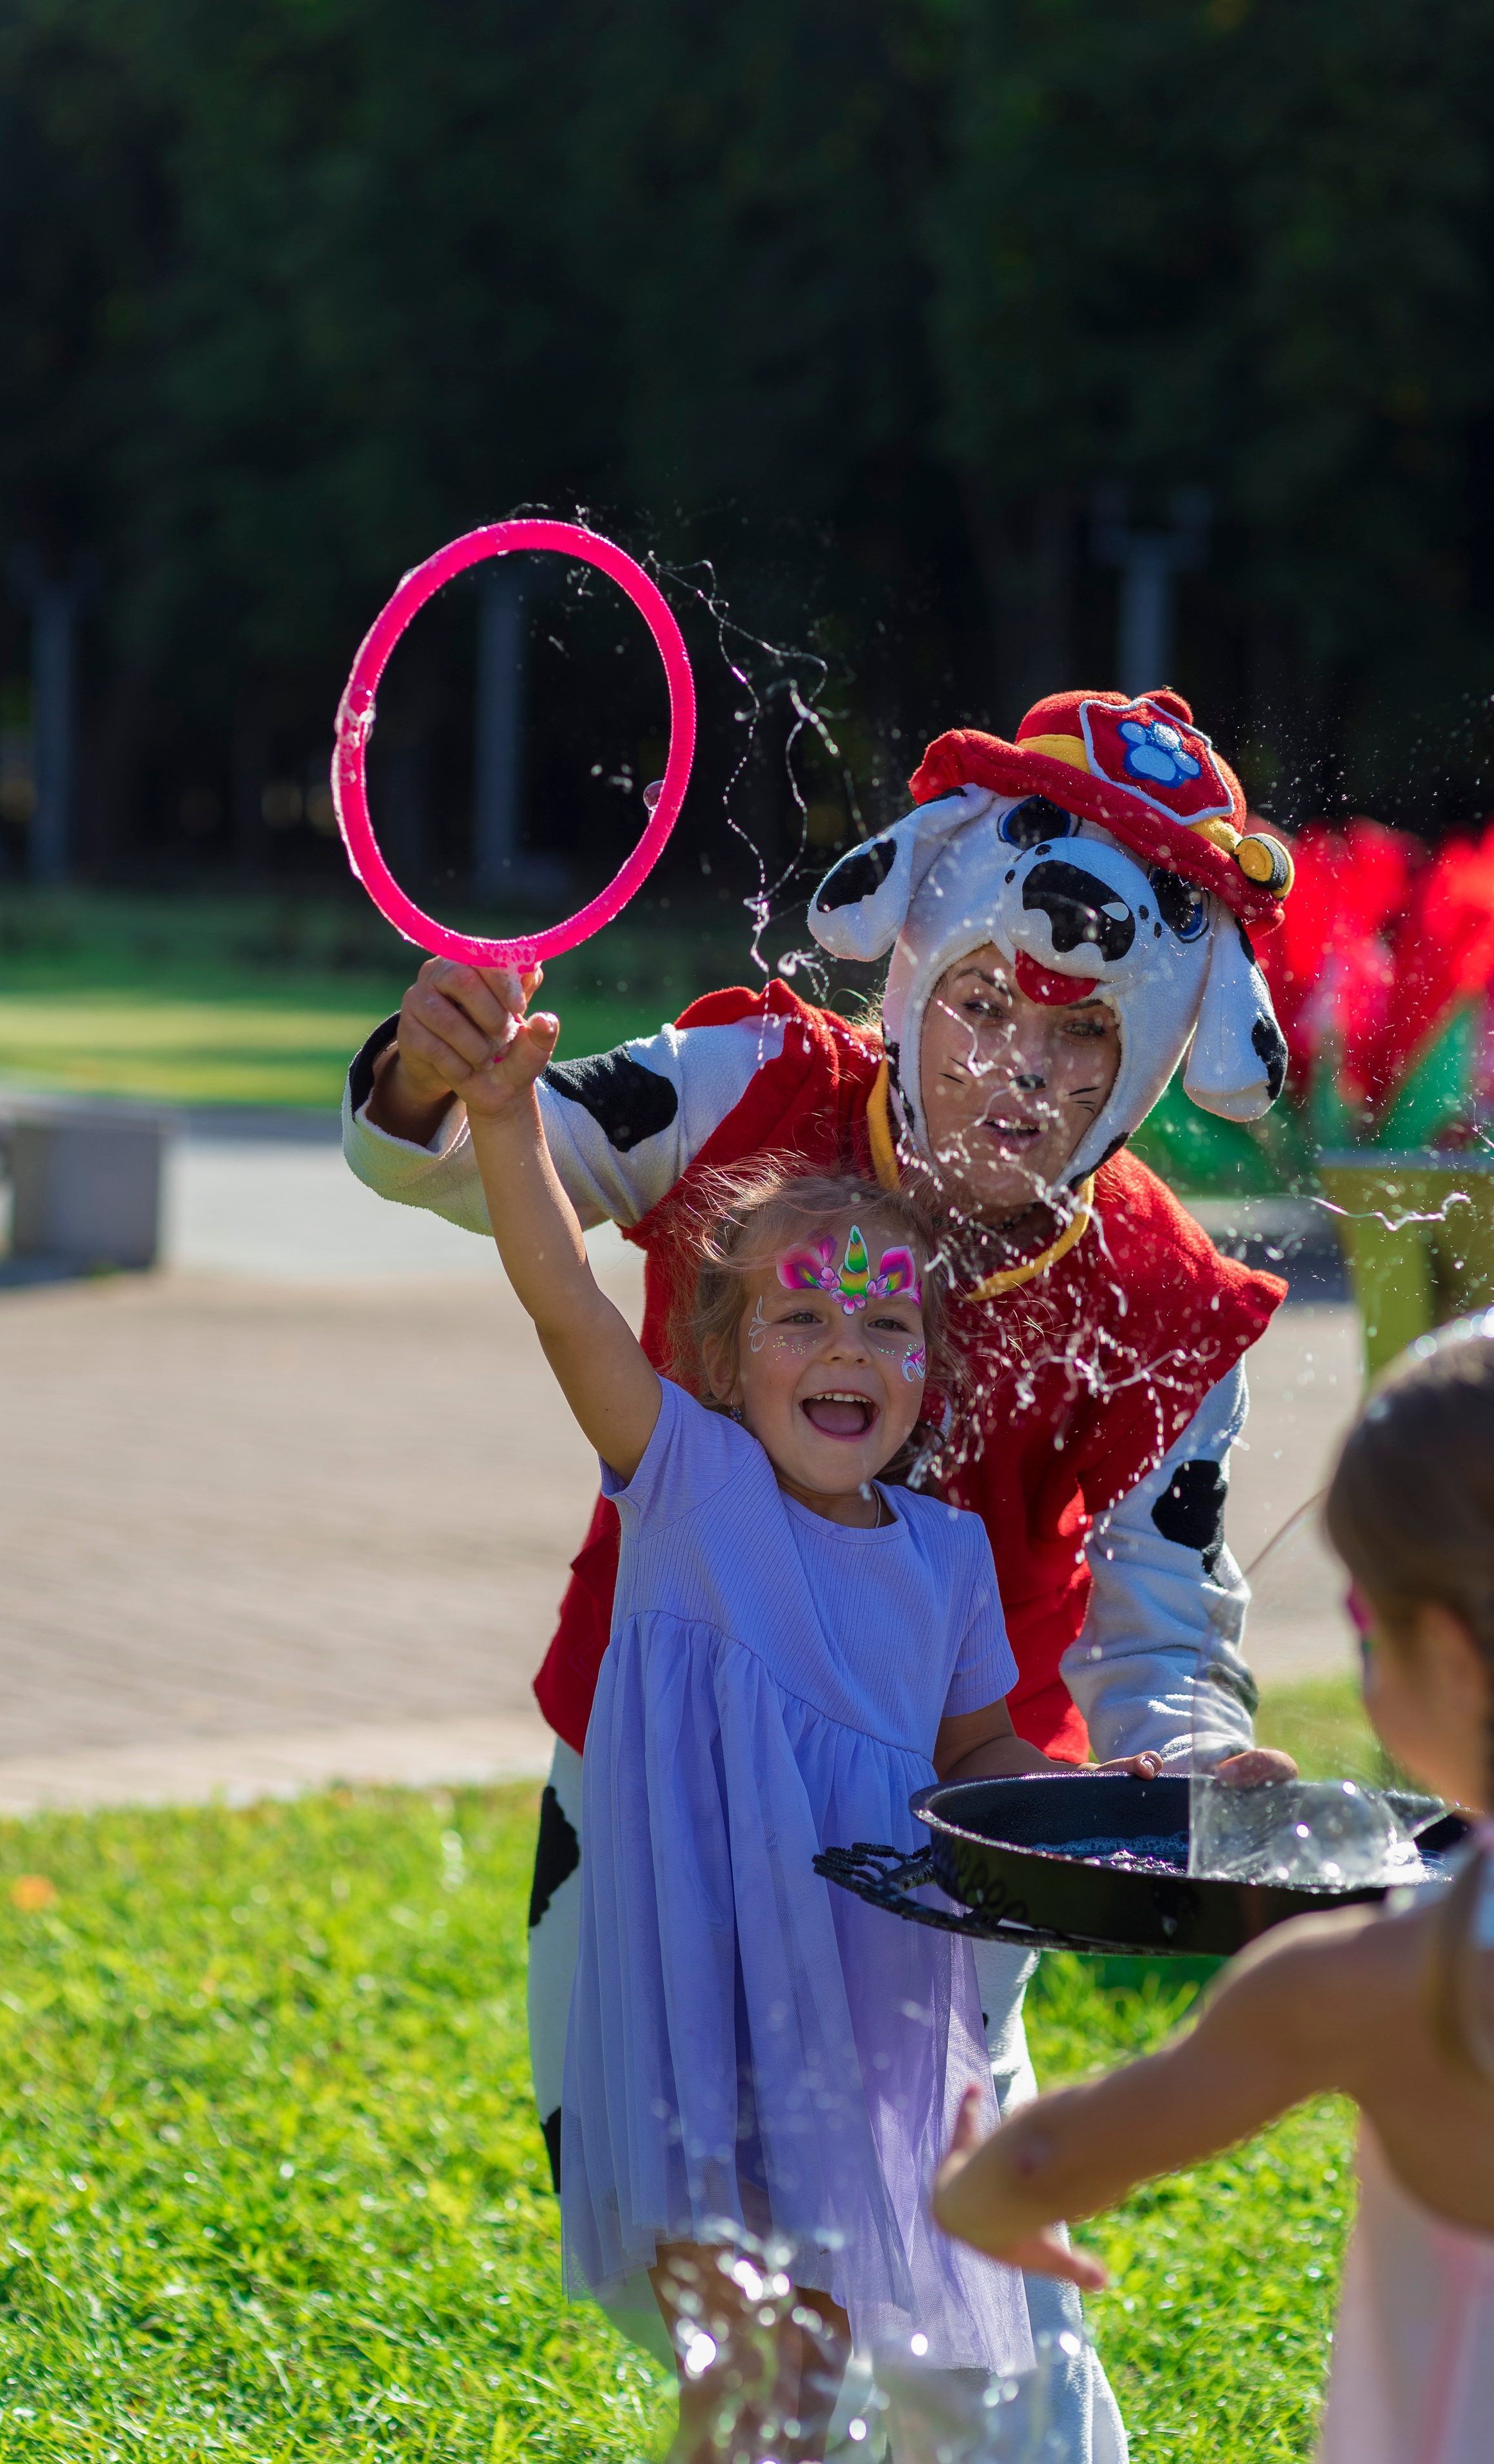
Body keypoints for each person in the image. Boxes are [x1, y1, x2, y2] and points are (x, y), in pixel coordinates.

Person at [342, 686, 1301, 2456]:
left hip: (947, 1861)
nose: (1026, 1071)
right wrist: (441, 1068)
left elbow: (1167, 1635)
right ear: (918, 942)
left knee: (981, 2352)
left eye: (1090, 1045)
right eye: (992, 1003)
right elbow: (499, 1175)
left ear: (1167, 1055)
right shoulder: (753, 1084)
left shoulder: (1168, 1310)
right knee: (726, 2293)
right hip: (665, 1813)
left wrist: (1186, 1771)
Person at [452, 961, 1053, 2456]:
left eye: (887, 1326)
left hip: (869, 2008)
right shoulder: (687, 1484)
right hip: (701, 2002)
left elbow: (978, 1745)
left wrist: (1067, 1809)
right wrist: (502, 1112)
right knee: (745, 2359)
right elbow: (559, 1292)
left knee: (845, 2343)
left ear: (926, 1369)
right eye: (802, 1319)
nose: (849, 1347)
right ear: (718, 1359)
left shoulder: (947, 1555)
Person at [933, 1309, 1494, 2464]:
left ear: (1452, 1659)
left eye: (1364, 1621)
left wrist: (978, 2188)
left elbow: (1040, 2167)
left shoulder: (1375, 1981)